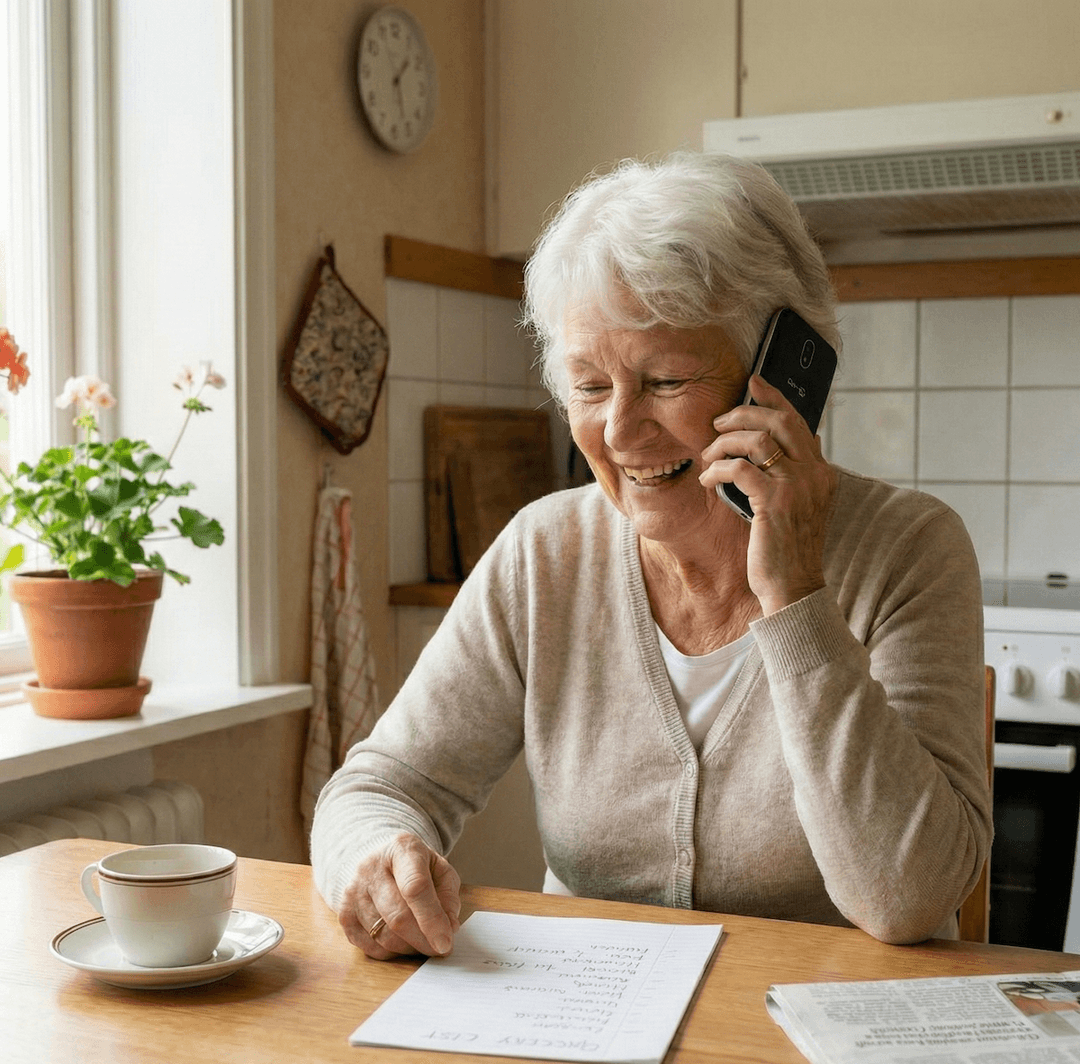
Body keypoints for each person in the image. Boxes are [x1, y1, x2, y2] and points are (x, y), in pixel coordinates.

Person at [311, 152, 991, 958]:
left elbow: (908, 898)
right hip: (591, 1009)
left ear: (781, 382)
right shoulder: (543, 552)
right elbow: (381, 784)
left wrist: (797, 598)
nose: (619, 431)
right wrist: (374, 855)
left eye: (666, 381)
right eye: (590, 387)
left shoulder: (911, 549)